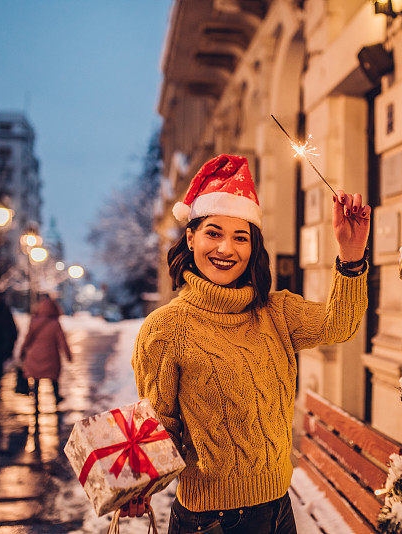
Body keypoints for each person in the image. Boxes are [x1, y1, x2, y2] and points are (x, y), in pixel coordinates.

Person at [125, 154, 371, 533]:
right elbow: (160, 425)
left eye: (241, 237)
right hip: (209, 521)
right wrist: (138, 485)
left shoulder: (277, 313)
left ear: (253, 247)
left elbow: (340, 325)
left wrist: (351, 255)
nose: (226, 248)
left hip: (278, 510)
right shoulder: (165, 328)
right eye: (213, 233)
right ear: (190, 237)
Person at [19, 295, 72, 407]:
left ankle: (36, 400)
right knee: (53, 378)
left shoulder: (34, 321)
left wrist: (22, 351)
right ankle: (56, 397)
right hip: (51, 356)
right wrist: (68, 355)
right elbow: (62, 341)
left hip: (34, 356)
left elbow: (28, 339)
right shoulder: (55, 324)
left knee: (36, 379)